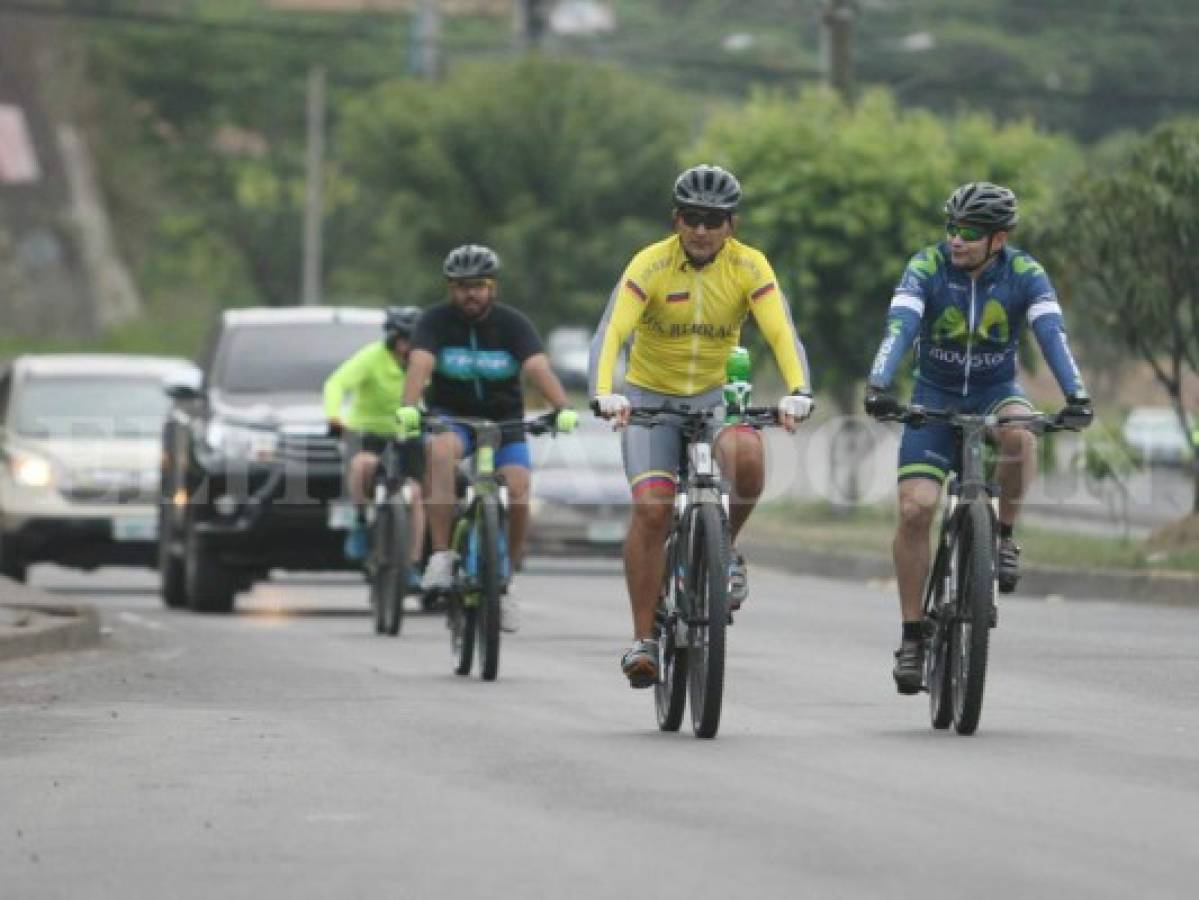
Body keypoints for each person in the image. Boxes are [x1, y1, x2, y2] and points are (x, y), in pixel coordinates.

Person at [589, 163, 814, 689]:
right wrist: (605, 392)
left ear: (731, 225)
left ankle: (725, 548)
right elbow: (612, 330)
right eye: (692, 218)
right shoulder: (650, 263)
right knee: (652, 510)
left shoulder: (749, 266)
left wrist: (799, 391)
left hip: (718, 398)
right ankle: (643, 640)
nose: (702, 230)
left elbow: (781, 331)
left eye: (714, 220)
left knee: (750, 461)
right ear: (677, 219)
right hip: (650, 400)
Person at [863, 181, 1093, 694]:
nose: (956, 240)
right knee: (915, 510)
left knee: (1022, 433)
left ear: (998, 239)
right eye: (951, 227)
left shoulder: (1025, 274)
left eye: (969, 232)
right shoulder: (926, 267)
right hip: (933, 398)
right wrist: (879, 383)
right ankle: (912, 636)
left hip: (994, 391)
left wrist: (1077, 395)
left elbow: (1051, 334)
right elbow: (899, 326)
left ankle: (1004, 537)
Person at [397, 244, 578, 633]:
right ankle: (442, 555)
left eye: (478, 285)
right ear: (450, 288)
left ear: (493, 287)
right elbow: (420, 362)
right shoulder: (434, 321)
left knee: (518, 488)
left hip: (504, 422)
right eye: (461, 286)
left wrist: (562, 406)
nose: (470, 294)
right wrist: (409, 406)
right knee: (439, 452)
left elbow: (537, 367)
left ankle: (507, 580)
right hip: (453, 418)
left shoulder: (513, 324)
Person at [324, 306, 427, 581]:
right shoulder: (371, 358)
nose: (409, 347)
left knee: (416, 495)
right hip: (369, 433)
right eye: (404, 339)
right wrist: (335, 416)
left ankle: (411, 565)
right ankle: (359, 523)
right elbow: (336, 384)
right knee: (361, 466)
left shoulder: (425, 363)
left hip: (407, 436)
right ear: (393, 339)